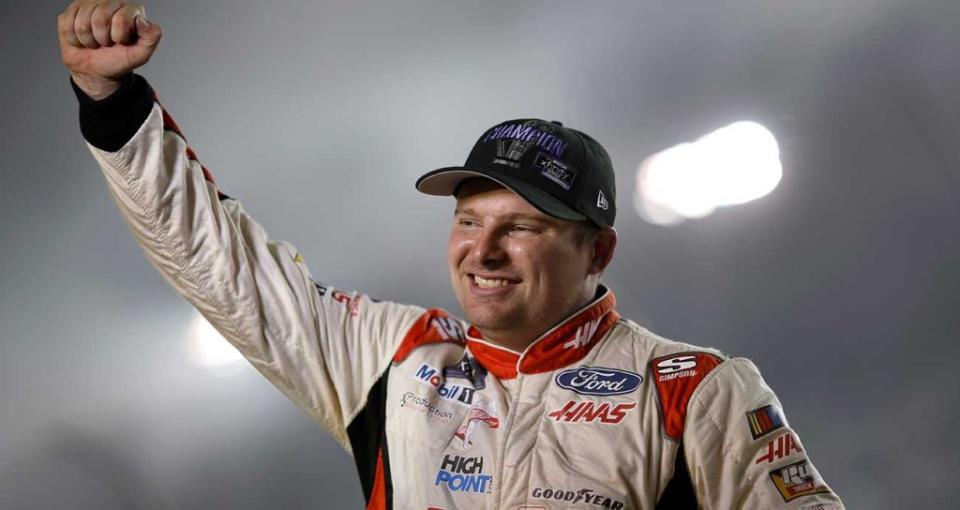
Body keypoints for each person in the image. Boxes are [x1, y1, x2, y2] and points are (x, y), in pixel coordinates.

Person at [58, 1, 845, 508]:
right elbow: (218, 263)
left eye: (523, 227)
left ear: (597, 249)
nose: (484, 251)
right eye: (469, 221)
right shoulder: (399, 360)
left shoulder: (695, 391)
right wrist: (116, 107)